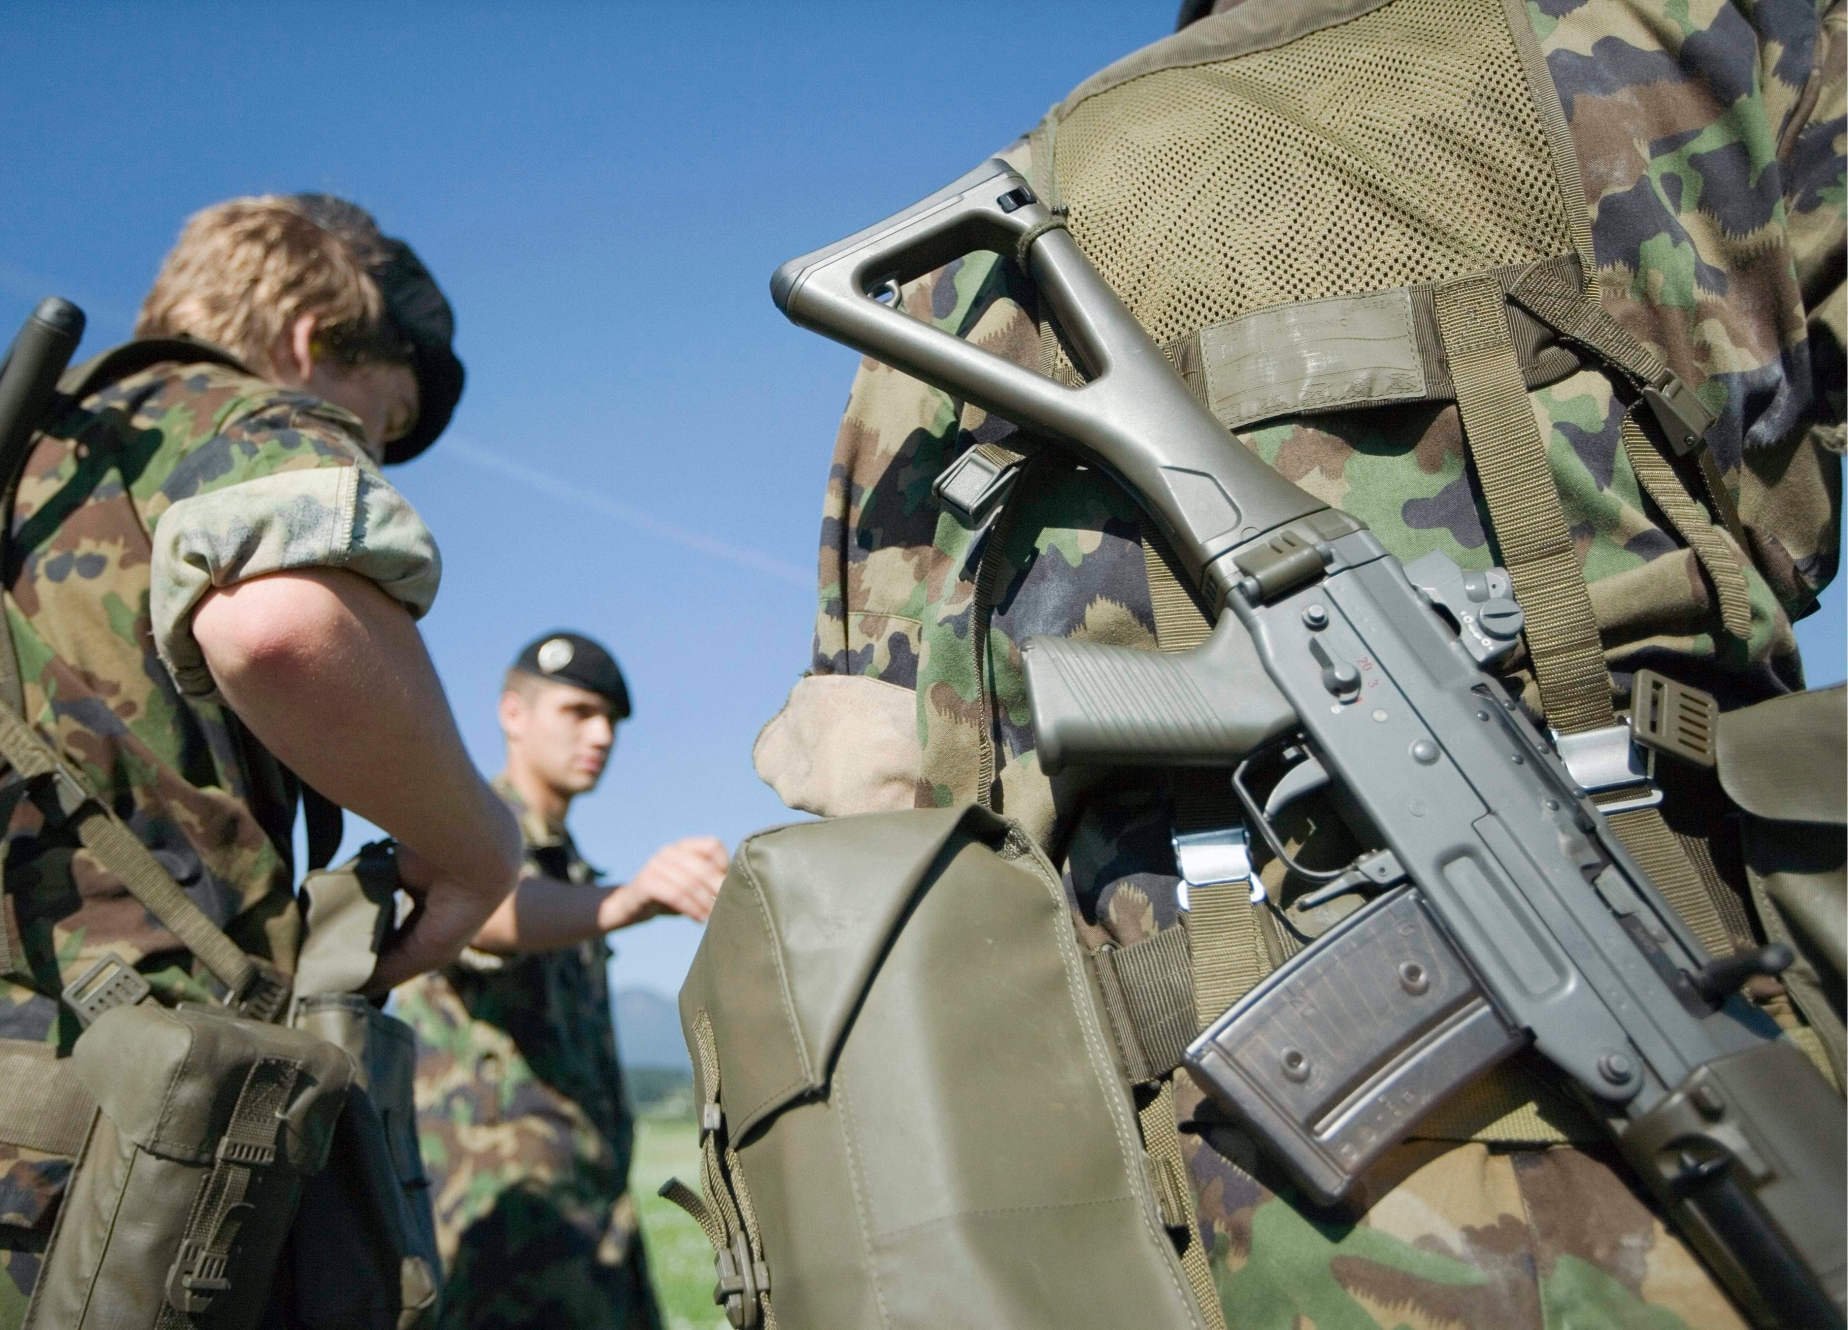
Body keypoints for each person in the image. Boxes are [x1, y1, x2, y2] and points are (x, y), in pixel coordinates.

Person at [753, 0, 1844, 1324]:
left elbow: (897, 768)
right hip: (1692, 987)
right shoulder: (1708, 40)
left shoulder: (976, 260)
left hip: (1207, 1189)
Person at [0, 195, 621, 1326]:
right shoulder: (225, 414)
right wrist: (473, 842)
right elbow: (280, 625)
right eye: (382, 414)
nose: (376, 445)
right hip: (90, 1191)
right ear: (312, 337)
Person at [397, 632, 726, 1330]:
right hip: (496, 1228)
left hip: (586, 1224)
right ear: (513, 713)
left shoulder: (569, 869)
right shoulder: (468, 833)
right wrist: (628, 900)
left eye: (611, 719)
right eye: (578, 712)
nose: (602, 734)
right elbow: (490, 910)